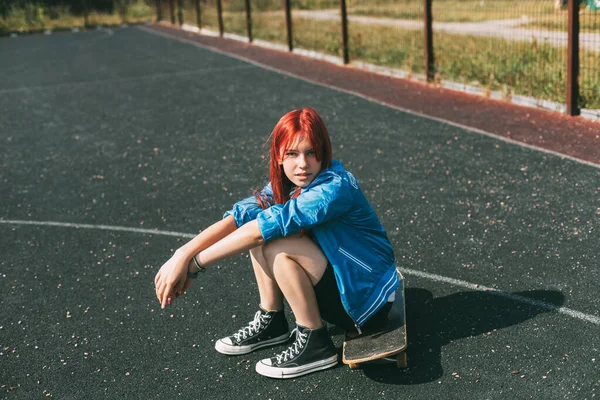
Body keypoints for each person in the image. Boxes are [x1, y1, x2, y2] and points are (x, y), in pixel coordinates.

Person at [154, 107, 400, 379]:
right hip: (347, 284)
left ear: (324, 152)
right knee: (259, 226)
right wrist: (183, 253)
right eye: (292, 154)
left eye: (311, 152)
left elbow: (259, 232)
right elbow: (241, 216)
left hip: (367, 301)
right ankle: (273, 321)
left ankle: (315, 343)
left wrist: (193, 267)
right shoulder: (290, 184)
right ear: (279, 157)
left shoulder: (333, 188)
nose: (302, 164)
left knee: (273, 242)